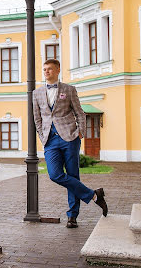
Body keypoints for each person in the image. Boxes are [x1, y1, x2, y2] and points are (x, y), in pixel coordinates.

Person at [33, 59, 108, 228]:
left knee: (73, 175)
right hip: (50, 140)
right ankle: (94, 195)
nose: (46, 72)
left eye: (50, 69)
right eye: (44, 69)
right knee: (55, 174)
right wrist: (42, 135)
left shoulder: (69, 89)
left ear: (58, 70)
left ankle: (72, 216)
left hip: (70, 137)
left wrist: (80, 132)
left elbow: (80, 113)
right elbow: (37, 118)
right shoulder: (36, 93)